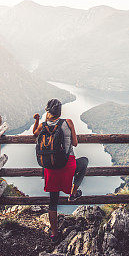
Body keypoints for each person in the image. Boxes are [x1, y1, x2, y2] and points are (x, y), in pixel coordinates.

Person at [32, 98, 88, 240]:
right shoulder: (68, 122)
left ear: (48, 111)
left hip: (50, 168)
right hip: (67, 165)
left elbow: (34, 133)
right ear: (60, 111)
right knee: (84, 162)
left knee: (53, 201)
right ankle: (73, 193)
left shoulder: (43, 125)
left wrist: (38, 120)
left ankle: (54, 234)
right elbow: (75, 143)